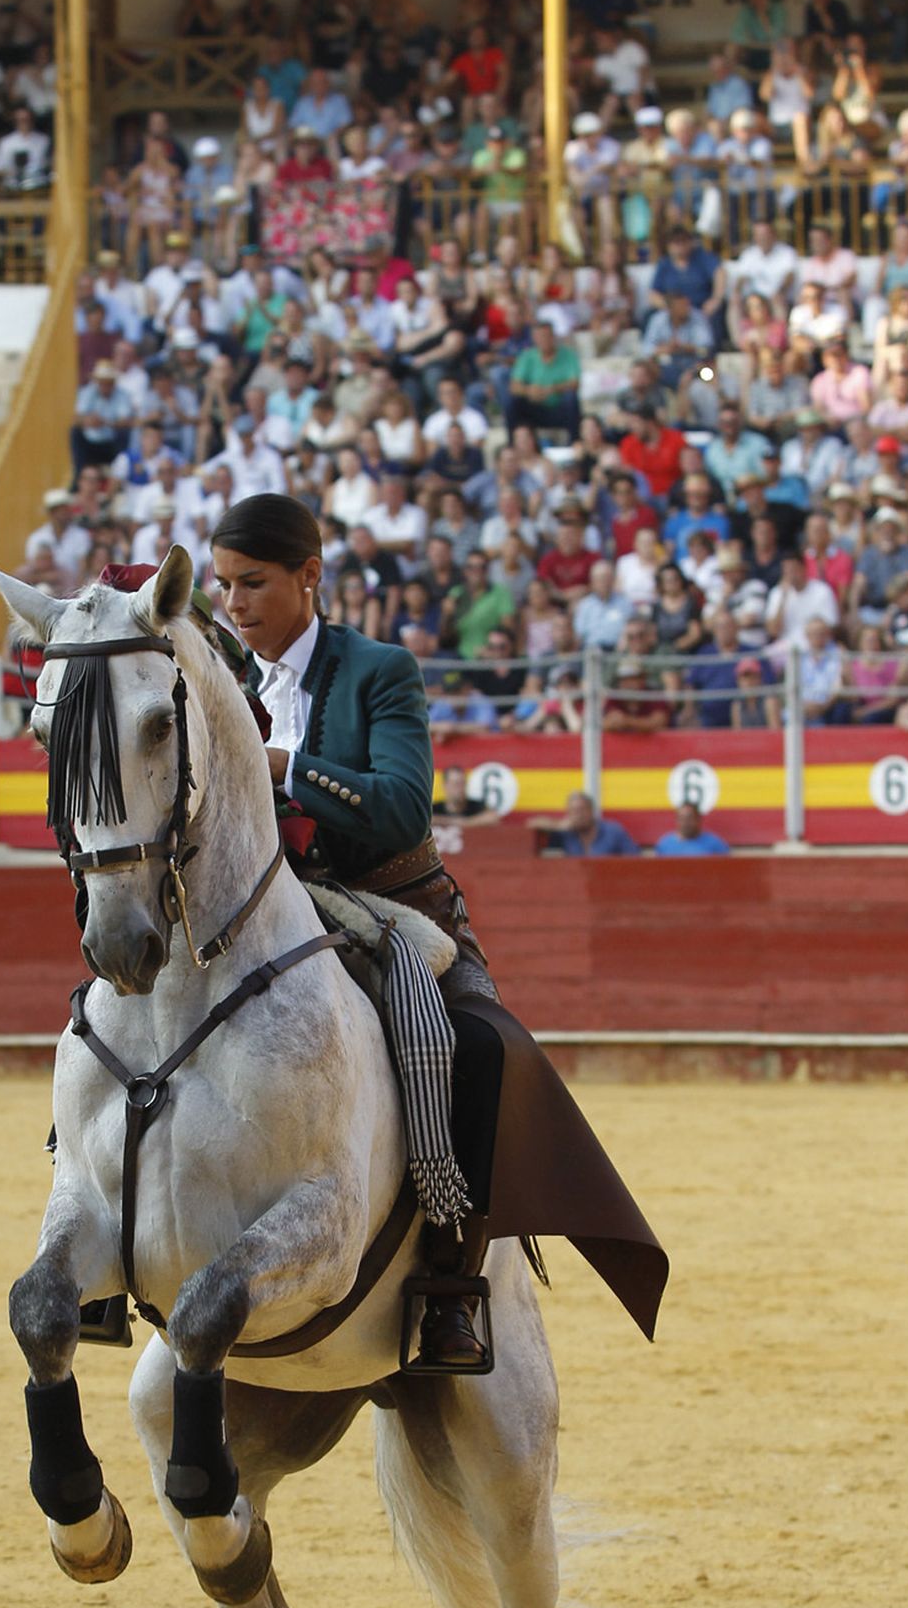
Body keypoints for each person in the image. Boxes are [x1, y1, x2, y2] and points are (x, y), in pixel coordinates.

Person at [207, 492, 666, 1364]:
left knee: (480, 1051)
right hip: (268, 915)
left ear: (310, 578)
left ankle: (452, 1283)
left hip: (395, 905)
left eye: (253, 583)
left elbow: (402, 804)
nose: (235, 605)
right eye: (226, 585)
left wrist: (285, 766)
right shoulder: (224, 681)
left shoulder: (380, 671)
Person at [527, 790, 639, 856]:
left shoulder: (613, 831)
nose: (578, 815)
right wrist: (558, 826)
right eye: (573, 811)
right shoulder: (565, 833)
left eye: (582, 810)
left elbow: (635, 859)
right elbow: (531, 824)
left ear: (592, 811)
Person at [653, 799, 731, 855]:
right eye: (682, 818)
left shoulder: (715, 844)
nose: (685, 823)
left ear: (698, 819)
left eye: (689, 818)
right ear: (676, 820)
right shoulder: (665, 844)